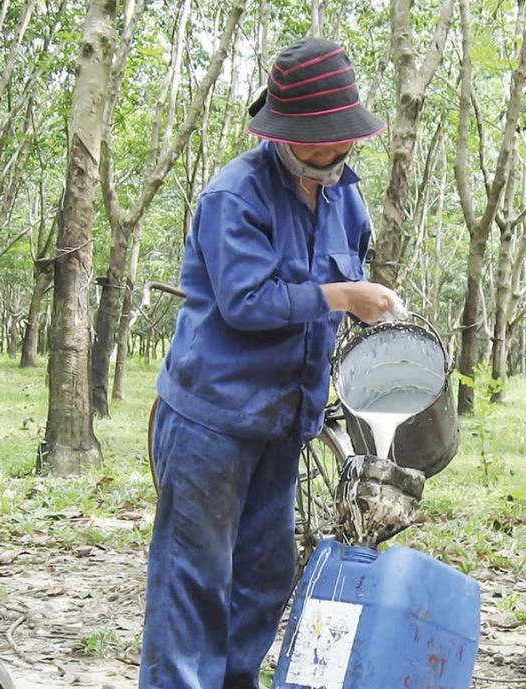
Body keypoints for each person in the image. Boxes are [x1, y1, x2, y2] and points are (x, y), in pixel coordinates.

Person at [139, 37, 400, 689]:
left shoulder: (349, 201)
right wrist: (342, 295)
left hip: (285, 420)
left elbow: (335, 306)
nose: (326, 153)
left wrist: (365, 311)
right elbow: (245, 302)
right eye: (310, 141)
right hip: (212, 419)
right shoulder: (237, 195)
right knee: (193, 581)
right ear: (280, 134)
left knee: (264, 575)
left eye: (335, 139)